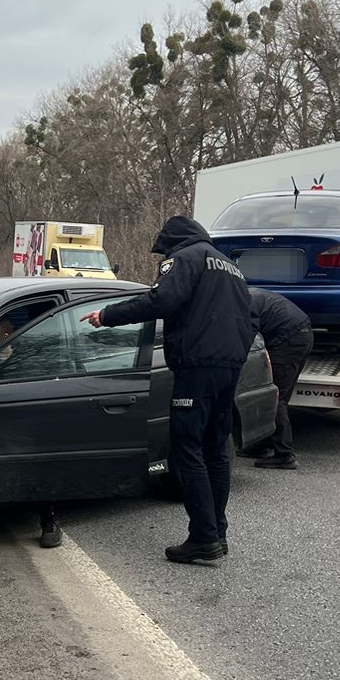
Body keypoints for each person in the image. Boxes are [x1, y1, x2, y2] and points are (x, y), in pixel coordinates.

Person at [81, 216, 252, 564]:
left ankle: (203, 537)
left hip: (196, 367)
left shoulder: (185, 258)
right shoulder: (230, 267)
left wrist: (107, 316)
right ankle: (217, 532)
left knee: (187, 448)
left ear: (173, 242)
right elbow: (250, 315)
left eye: (164, 251)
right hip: (229, 366)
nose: (163, 257)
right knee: (216, 450)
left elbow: (161, 300)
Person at [0, 315, 64, 548]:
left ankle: (49, 520)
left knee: (38, 459)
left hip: (25, 418)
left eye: (2, 333)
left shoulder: (30, 355)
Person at [244, 287, 313, 470]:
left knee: (274, 396)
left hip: (289, 338)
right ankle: (264, 444)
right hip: (301, 332)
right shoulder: (250, 294)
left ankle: (284, 454)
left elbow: (246, 338)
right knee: (279, 395)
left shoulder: (244, 303)